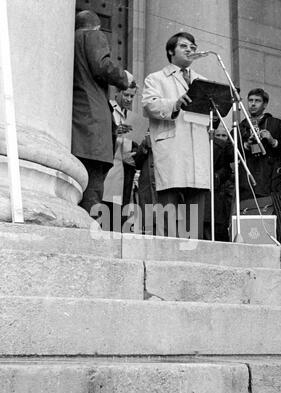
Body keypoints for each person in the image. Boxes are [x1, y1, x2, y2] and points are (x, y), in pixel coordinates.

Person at [142, 32, 211, 239]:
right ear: (171, 51)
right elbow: (149, 104)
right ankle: (166, 249)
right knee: (169, 207)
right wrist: (175, 104)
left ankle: (193, 251)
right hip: (172, 147)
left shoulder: (202, 81)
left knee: (194, 212)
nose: (190, 50)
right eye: (184, 46)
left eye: (192, 46)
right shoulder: (156, 78)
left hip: (197, 147)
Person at [71, 10, 134, 216]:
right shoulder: (93, 36)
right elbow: (102, 66)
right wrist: (124, 77)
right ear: (97, 27)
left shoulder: (69, 40)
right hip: (93, 126)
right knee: (93, 190)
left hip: (76, 126)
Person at [227, 88, 281, 243]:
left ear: (265, 104)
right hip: (247, 184)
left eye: (257, 101)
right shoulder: (240, 127)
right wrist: (244, 146)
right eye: (251, 100)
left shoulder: (277, 124)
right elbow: (227, 153)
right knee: (248, 219)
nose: (253, 104)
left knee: (270, 220)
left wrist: (273, 141)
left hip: (271, 183)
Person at [102, 83, 139, 231]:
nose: (129, 99)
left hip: (125, 174)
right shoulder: (107, 109)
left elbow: (131, 149)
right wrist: (115, 132)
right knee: (104, 213)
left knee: (118, 219)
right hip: (108, 171)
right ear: (117, 93)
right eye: (126, 95)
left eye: (132, 96)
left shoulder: (132, 117)